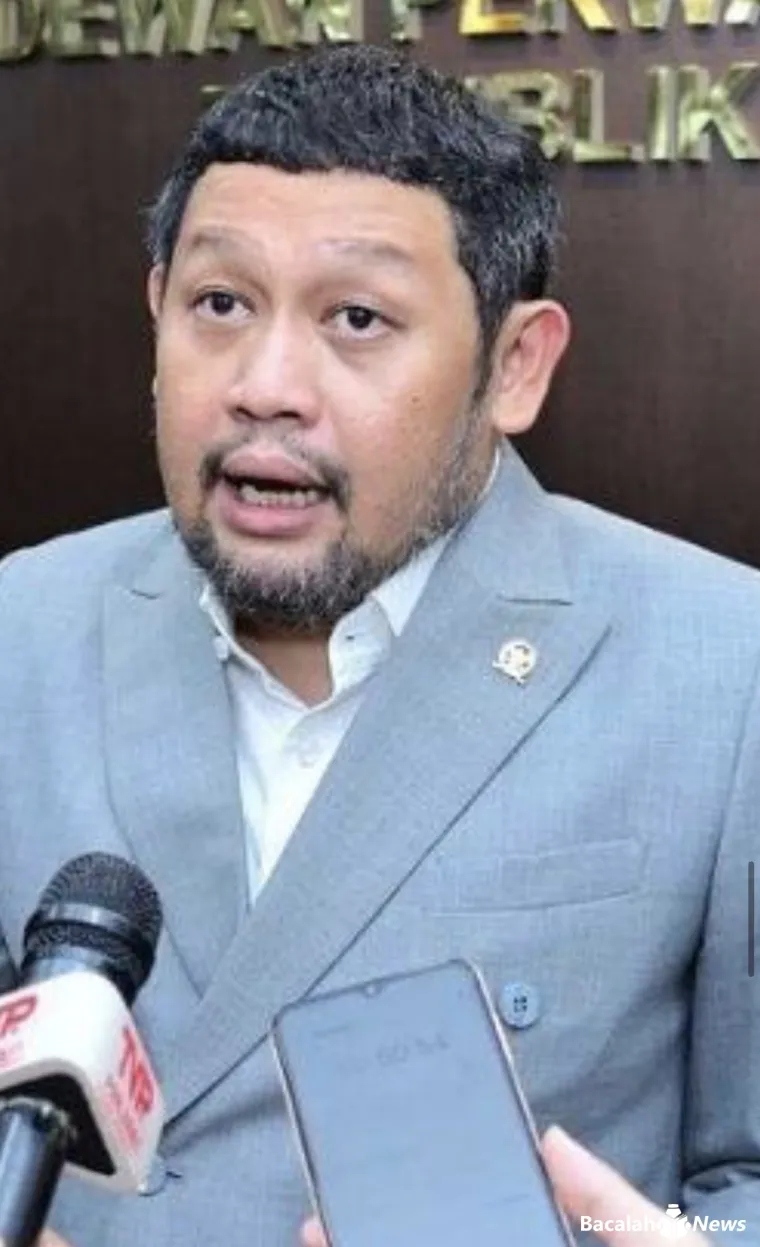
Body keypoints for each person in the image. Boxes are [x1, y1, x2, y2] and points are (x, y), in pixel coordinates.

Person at [0, 42, 758, 1247]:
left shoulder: (725, 667)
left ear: (514, 365)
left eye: (356, 318)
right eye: (219, 305)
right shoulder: (20, 628)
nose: (265, 385)